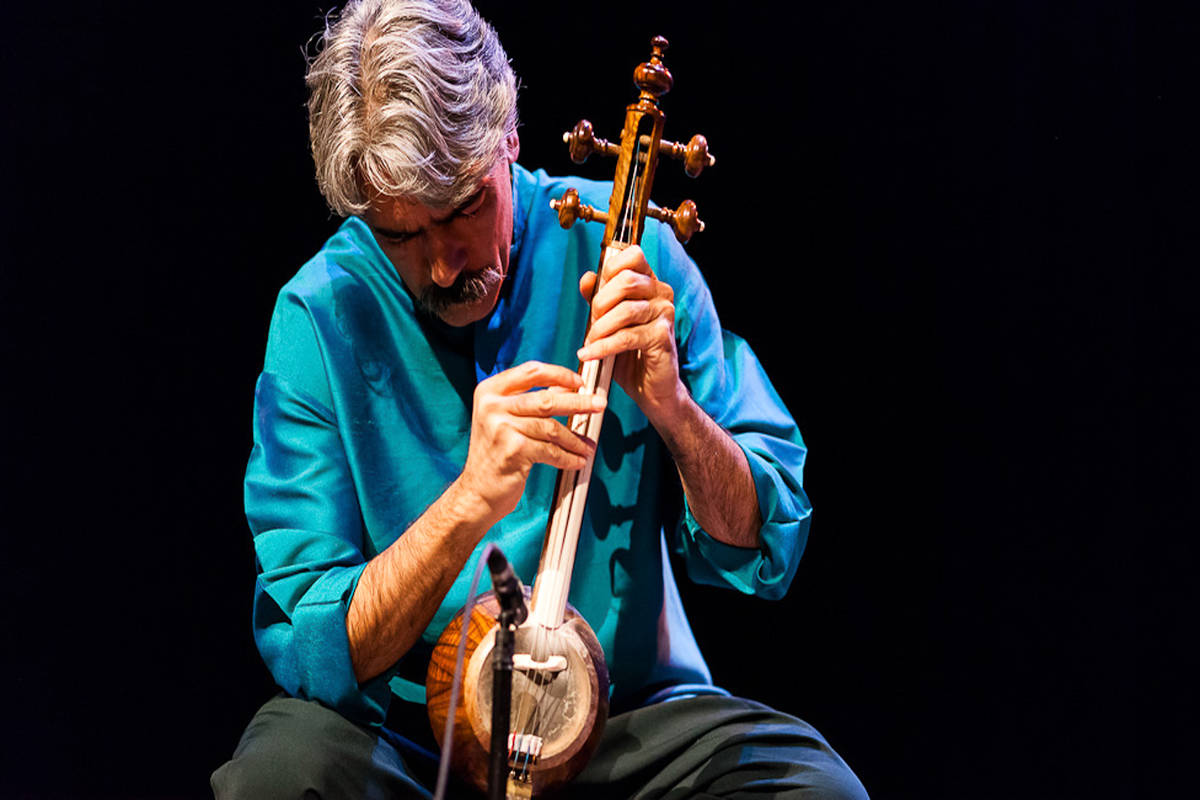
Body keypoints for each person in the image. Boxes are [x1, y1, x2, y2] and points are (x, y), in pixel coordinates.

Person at [212, 1, 868, 797]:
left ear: (510, 136)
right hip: (411, 737)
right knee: (281, 774)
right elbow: (316, 647)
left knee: (814, 788)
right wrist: (465, 505)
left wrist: (676, 413)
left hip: (622, 719)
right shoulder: (321, 314)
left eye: (464, 209)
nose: (444, 266)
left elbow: (764, 545)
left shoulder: (632, 254)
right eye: (401, 236)